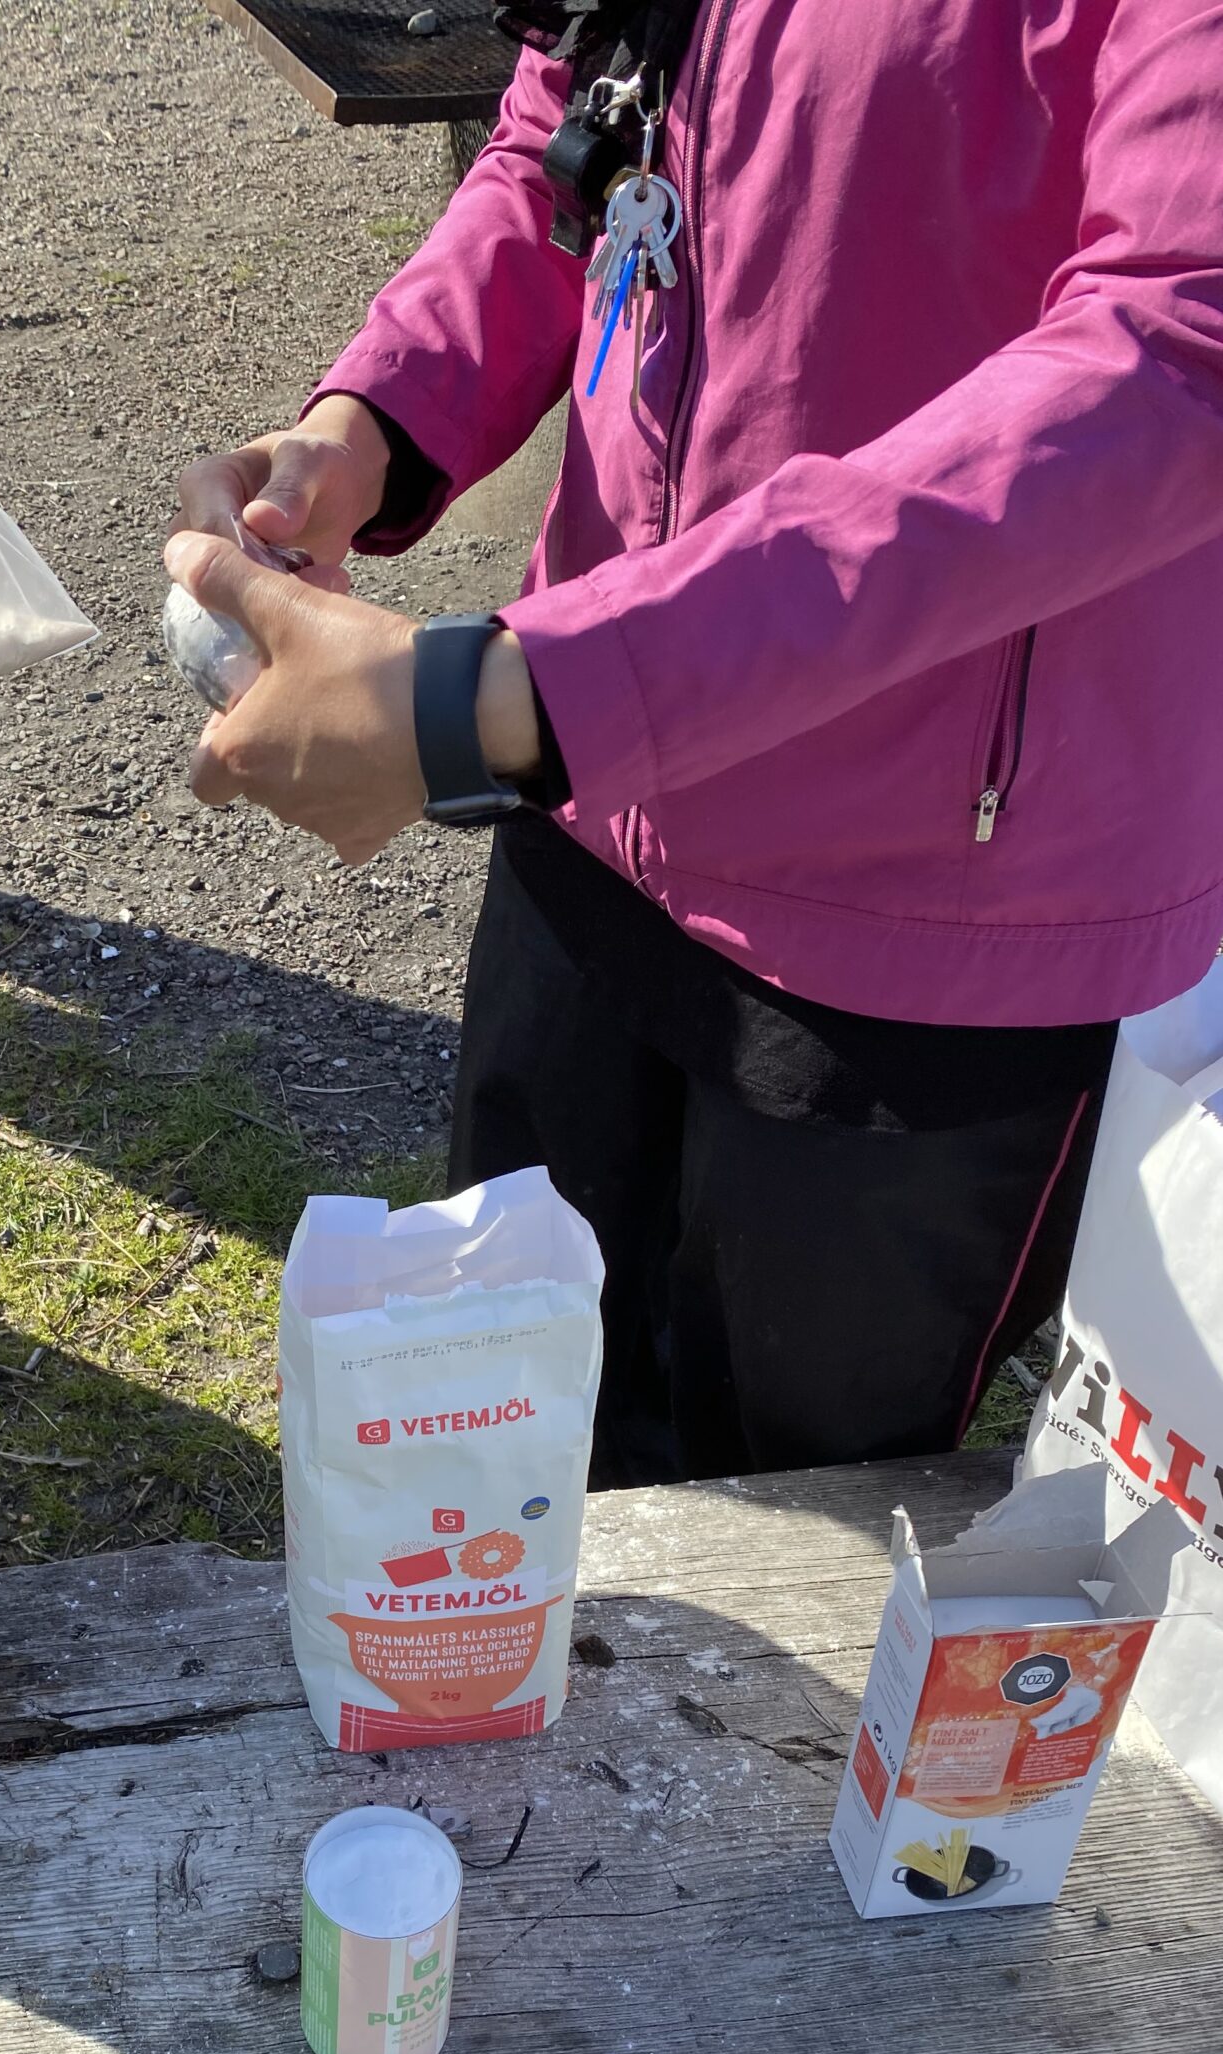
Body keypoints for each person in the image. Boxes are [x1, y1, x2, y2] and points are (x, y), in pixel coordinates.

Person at [170, 0, 1223, 1489]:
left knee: (782, 1534)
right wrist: (375, 422)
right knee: (514, 1423)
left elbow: (1178, 356)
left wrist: (521, 699)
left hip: (932, 909)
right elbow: (577, 123)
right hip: (587, 799)